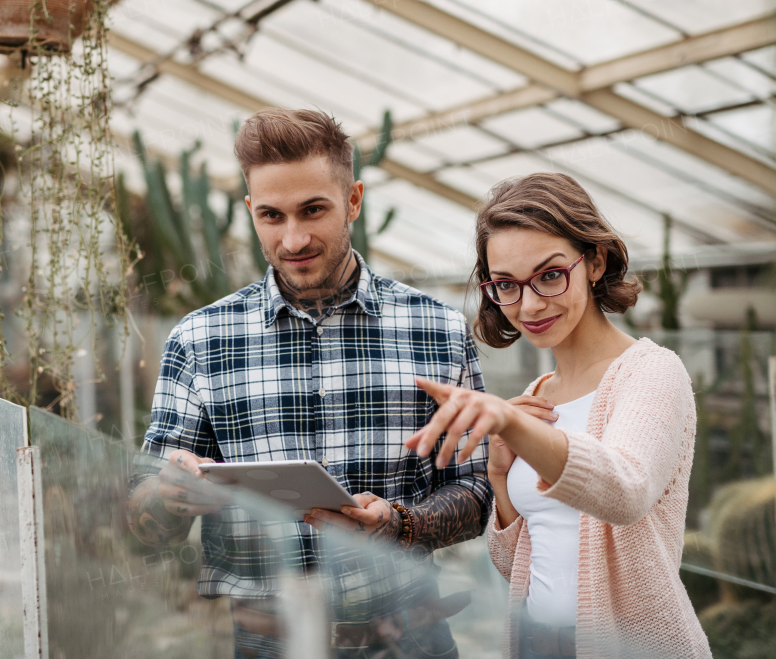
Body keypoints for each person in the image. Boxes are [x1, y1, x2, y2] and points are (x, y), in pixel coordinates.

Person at [128, 108, 519, 658]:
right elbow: (143, 517)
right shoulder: (199, 340)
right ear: (250, 212)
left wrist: (400, 525)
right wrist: (169, 496)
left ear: (354, 200)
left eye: (314, 210)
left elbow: (480, 494)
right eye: (271, 215)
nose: (293, 238)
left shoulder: (436, 331)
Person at [405, 173, 711, 659]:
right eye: (505, 285)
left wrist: (513, 425)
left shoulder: (651, 372)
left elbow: (625, 490)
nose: (527, 306)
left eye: (549, 275)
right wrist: (500, 476)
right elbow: (516, 564)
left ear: (594, 261)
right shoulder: (537, 394)